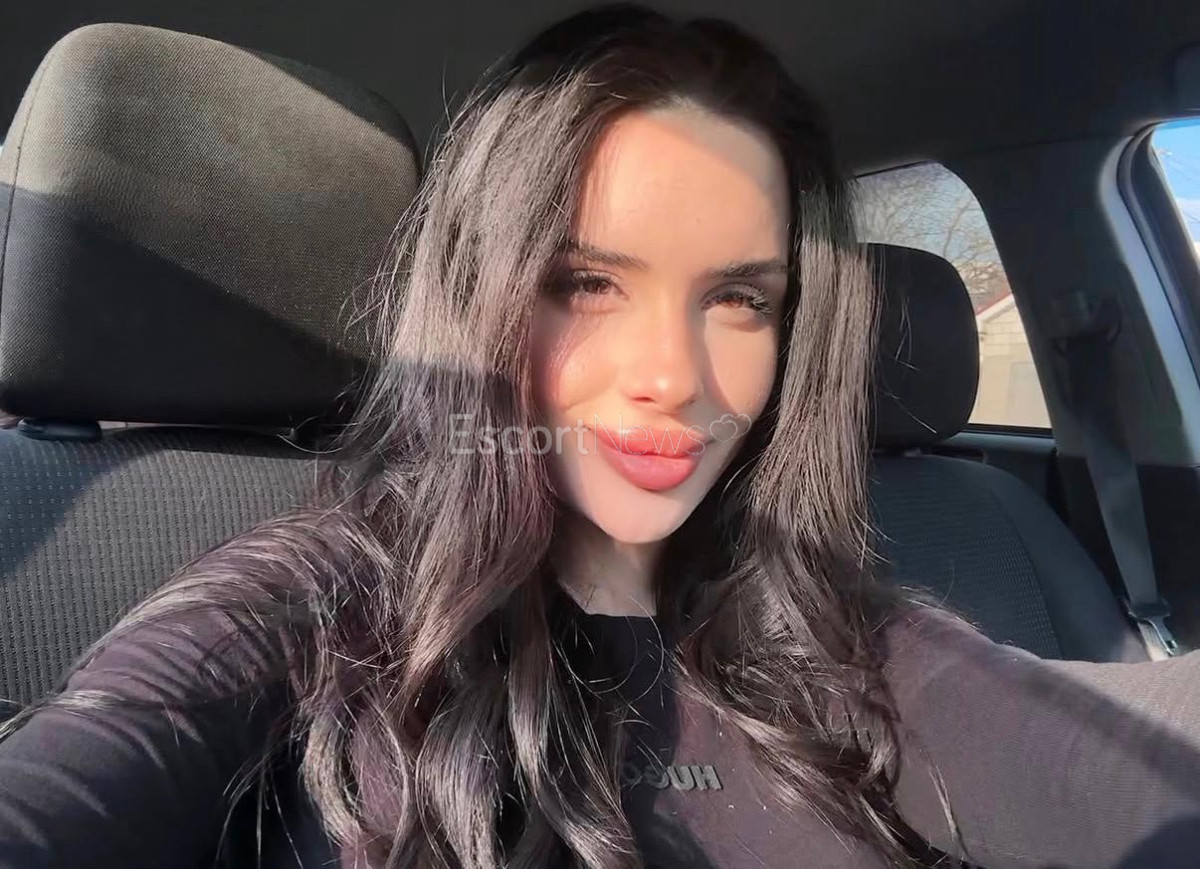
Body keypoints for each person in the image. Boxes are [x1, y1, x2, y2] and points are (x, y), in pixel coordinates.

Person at [2, 5, 1200, 868]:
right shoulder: (315, 603)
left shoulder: (840, 630)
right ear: (481, 299)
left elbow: (1113, 760)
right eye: (586, 282)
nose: (674, 377)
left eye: (741, 298)